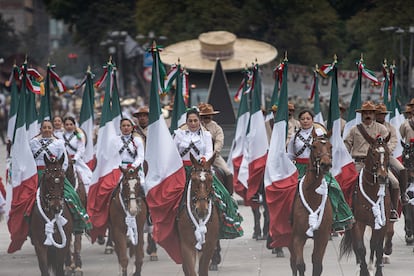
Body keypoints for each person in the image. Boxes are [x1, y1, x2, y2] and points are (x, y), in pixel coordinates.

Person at [173, 108, 243, 239]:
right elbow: (173, 152)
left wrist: (204, 159)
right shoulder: (179, 134)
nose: (193, 123)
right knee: (171, 195)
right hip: (182, 170)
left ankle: (225, 216)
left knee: (221, 192)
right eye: (190, 121)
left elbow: (209, 151)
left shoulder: (206, 135)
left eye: (195, 120)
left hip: (201, 168)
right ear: (186, 121)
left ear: (199, 121)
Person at [287, 109, 354, 231]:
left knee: (334, 187)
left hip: (318, 167)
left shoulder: (319, 134)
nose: (305, 121)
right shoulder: (295, 137)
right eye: (303, 119)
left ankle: (338, 218)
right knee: (290, 190)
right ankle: (289, 218)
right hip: (300, 168)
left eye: (308, 119)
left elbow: (325, 149)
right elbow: (291, 155)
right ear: (299, 121)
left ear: (312, 120)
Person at [30, 120, 91, 234]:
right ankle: (27, 224)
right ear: (41, 129)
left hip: (55, 175)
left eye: (49, 127)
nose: (47, 130)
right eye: (45, 128)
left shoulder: (58, 143)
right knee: (27, 198)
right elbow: (29, 159)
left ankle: (79, 224)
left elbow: (65, 162)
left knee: (72, 195)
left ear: (52, 129)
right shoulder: (33, 143)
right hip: (37, 174)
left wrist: (59, 174)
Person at [344, 101, 400, 221]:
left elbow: (388, 143)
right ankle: (346, 210)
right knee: (348, 183)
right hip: (360, 163)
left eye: (370, 112)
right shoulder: (354, 129)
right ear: (362, 114)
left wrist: (383, 153)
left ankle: (392, 209)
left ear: (374, 114)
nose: (368, 115)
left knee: (394, 182)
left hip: (378, 163)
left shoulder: (382, 128)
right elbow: (347, 145)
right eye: (365, 113)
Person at [198, 103, 233, 194]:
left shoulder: (217, 128)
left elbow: (219, 141)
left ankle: (230, 195)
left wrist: (213, 153)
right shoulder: (196, 126)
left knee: (227, 172)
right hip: (198, 156)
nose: (206, 118)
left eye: (208, 116)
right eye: (204, 116)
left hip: (214, 157)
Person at [62, 116, 93, 192]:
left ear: (74, 125)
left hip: (76, 161)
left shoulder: (78, 136)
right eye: (67, 124)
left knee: (86, 178)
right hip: (64, 161)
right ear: (64, 125)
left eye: (71, 124)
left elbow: (81, 149)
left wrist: (75, 158)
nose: (69, 126)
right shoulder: (60, 137)